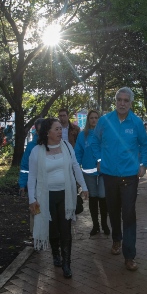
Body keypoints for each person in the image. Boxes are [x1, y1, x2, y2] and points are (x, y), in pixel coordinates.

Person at [93, 87, 147, 271]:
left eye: (126, 100)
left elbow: (145, 144)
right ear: (115, 101)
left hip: (130, 176)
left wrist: (143, 164)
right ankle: (116, 239)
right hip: (109, 175)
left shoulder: (136, 122)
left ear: (131, 103)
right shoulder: (105, 120)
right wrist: (100, 159)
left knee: (128, 213)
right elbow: (95, 141)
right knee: (114, 210)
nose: (122, 103)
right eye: (119, 100)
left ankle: (129, 255)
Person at [28, 118, 88, 279]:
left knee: (65, 229)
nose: (60, 131)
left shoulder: (67, 147)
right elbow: (32, 177)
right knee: (53, 229)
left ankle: (67, 263)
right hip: (46, 196)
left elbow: (76, 167)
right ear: (47, 132)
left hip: (66, 194)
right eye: (57, 129)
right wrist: (31, 199)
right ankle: (56, 254)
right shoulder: (36, 151)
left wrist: (84, 187)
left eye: (61, 129)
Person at [74, 109, 109, 237]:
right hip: (88, 171)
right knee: (93, 197)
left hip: (104, 171)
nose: (94, 120)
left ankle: (105, 224)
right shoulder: (82, 135)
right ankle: (95, 225)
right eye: (91, 118)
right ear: (88, 120)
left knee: (102, 196)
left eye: (96, 117)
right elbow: (78, 152)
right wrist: (76, 166)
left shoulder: (104, 133)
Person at [18, 117, 45, 194]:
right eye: (40, 131)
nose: (42, 133)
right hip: (36, 186)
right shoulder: (31, 146)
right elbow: (25, 167)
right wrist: (22, 184)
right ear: (36, 131)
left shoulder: (54, 145)